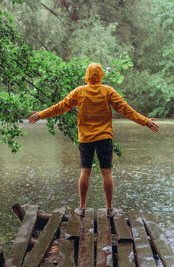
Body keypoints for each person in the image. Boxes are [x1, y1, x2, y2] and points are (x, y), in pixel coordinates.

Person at [29, 63, 159, 217]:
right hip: (104, 138)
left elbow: (60, 107)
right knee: (106, 172)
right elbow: (126, 109)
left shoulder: (80, 92)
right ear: (101, 75)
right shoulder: (108, 91)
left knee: (85, 171)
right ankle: (109, 208)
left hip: (85, 139)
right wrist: (145, 121)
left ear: (87, 76)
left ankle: (82, 208)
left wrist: (41, 114)